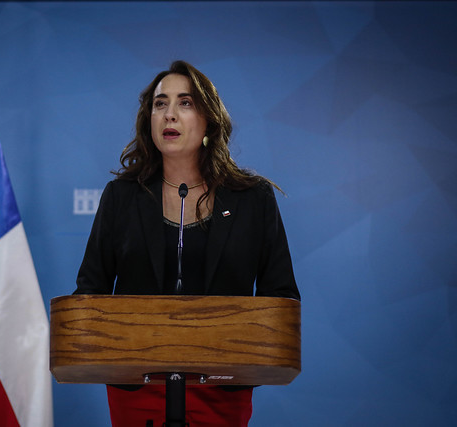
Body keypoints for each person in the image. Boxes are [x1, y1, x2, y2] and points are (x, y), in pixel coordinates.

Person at [74, 60, 300, 426]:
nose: (170, 114)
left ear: (208, 119)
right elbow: (89, 291)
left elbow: (281, 295)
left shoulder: (252, 199)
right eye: (160, 104)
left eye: (185, 103)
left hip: (222, 387)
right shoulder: (122, 196)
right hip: (138, 387)